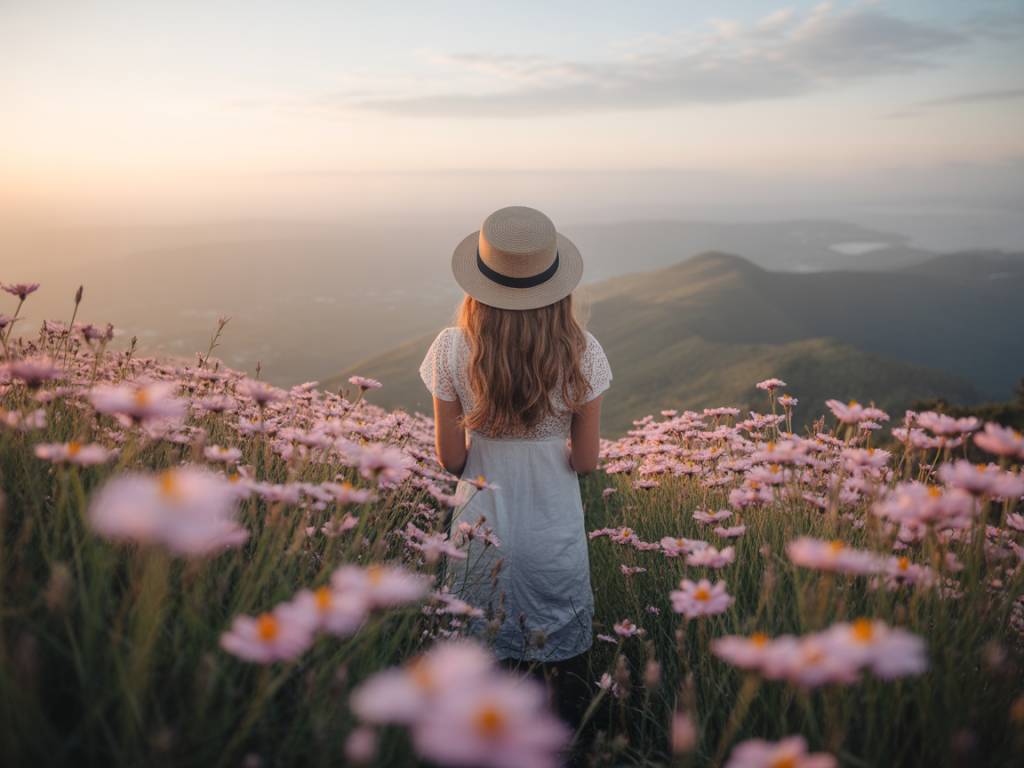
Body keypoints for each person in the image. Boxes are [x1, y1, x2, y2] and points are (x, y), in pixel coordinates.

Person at [419, 205, 612, 739]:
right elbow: (588, 461)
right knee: (554, 672)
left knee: (478, 662)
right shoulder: (583, 353)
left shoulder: (452, 349)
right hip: (553, 529)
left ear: (479, 283)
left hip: (481, 525)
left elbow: (451, 460)